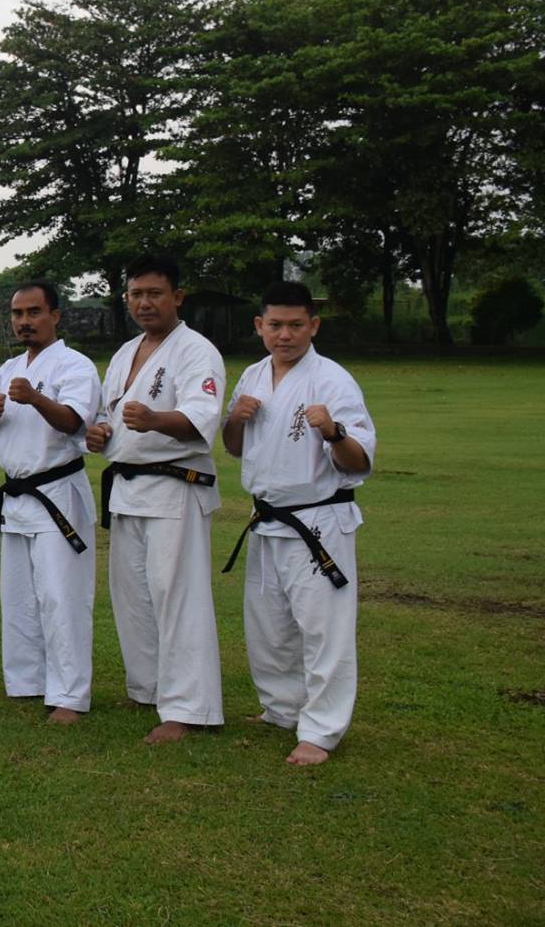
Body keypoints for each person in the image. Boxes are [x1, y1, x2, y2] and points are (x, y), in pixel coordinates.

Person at [222, 280, 376, 766]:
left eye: (295, 325)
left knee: (323, 629)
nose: (284, 334)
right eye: (275, 325)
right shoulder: (252, 375)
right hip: (266, 518)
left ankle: (322, 730)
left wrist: (333, 431)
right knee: (268, 626)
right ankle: (282, 709)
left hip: (318, 521)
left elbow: (358, 462)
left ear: (313, 326)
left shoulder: (333, 381)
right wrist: (235, 419)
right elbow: (234, 447)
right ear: (259, 326)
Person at [86, 253, 227, 744]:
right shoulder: (126, 352)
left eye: (154, 294)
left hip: (175, 486)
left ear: (177, 297)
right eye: (136, 294)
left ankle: (189, 708)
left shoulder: (196, 351)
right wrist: (100, 433)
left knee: (177, 596)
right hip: (128, 488)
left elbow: (201, 418)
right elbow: (108, 414)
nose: (144, 303)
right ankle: (147, 687)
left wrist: (154, 421)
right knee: (133, 595)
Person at [0, 281, 99, 724]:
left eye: (33, 312)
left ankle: (69, 695)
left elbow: (74, 422)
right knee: (20, 598)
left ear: (55, 316)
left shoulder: (75, 365)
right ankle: (28, 681)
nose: (24, 322)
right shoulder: (8, 368)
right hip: (17, 497)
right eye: (18, 314)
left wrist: (35, 397)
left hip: (57, 493)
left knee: (61, 597)